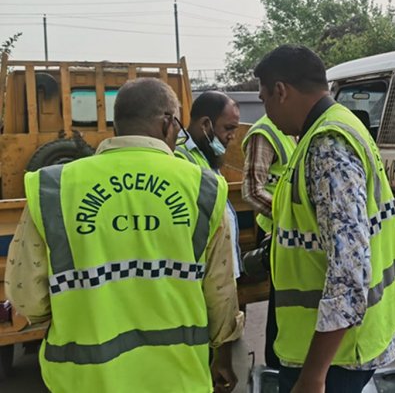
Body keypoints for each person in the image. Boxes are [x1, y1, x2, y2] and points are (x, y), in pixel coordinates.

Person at [5, 78, 243, 393]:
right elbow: (221, 293)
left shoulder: (54, 187)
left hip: (82, 381)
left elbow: (26, 297)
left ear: (118, 124)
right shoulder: (203, 187)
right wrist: (223, 353)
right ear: (168, 124)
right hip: (177, 376)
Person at [254, 45, 395, 393]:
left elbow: (349, 272)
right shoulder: (338, 126)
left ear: (281, 91)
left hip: (335, 358)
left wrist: (314, 375)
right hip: (343, 346)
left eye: (264, 98)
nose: (265, 110)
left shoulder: (328, 145)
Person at [240, 113, 296, 370]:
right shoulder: (265, 133)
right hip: (277, 230)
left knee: (293, 302)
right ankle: (276, 365)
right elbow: (252, 190)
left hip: (294, 232)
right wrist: (291, 216)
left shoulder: (294, 126)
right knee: (282, 304)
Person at [174, 91, 243, 280]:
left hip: (218, 272)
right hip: (202, 275)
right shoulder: (180, 158)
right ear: (205, 124)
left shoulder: (207, 155)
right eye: (228, 128)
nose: (232, 137)